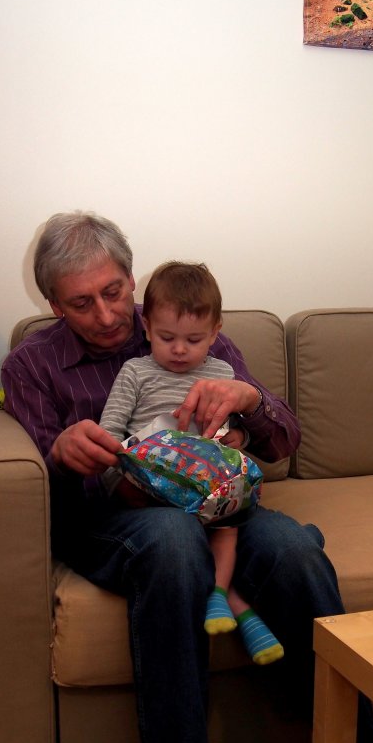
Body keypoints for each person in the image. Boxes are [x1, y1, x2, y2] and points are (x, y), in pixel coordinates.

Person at [1, 210, 373, 743]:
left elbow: (281, 442)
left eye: (114, 292)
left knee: (294, 551)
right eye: (81, 303)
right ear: (52, 304)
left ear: (132, 279)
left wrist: (251, 403)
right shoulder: (32, 365)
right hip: (120, 522)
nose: (107, 315)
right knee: (172, 542)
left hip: (221, 508)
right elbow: (34, 483)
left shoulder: (191, 327)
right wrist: (60, 451)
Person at [99, 260, 283, 666]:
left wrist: (240, 438)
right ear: (146, 327)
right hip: (156, 486)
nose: (180, 349)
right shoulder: (136, 372)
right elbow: (109, 433)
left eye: (194, 339)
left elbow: (234, 428)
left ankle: (219, 596)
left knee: (229, 525)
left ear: (216, 333)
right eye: (167, 337)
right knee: (182, 537)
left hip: (210, 486)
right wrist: (119, 469)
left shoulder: (222, 372)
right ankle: (237, 606)